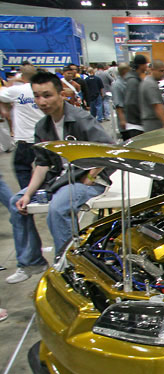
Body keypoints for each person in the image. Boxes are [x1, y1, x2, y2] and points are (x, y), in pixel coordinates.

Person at [7, 71, 112, 284]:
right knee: (15, 203)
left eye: (47, 95)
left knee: (58, 209)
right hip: (58, 180)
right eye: (37, 96)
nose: (42, 101)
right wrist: (27, 193)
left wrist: (90, 176)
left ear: (61, 94)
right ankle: (31, 262)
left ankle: (68, 265)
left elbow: (109, 150)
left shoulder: (81, 119)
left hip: (85, 181)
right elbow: (42, 164)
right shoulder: (42, 126)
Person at [0, 64, 44, 189]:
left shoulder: (16, 90)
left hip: (25, 138)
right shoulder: (42, 89)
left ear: (21, 76)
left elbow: (1, 93)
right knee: (46, 166)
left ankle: (27, 192)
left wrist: (13, 81)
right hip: (43, 136)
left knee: (22, 167)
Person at [123, 54, 148, 138]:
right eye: (145, 64)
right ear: (141, 65)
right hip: (135, 125)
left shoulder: (135, 79)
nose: (146, 66)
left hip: (136, 123)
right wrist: (141, 117)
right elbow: (131, 103)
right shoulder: (133, 81)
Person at [140, 61, 164, 132]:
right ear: (152, 70)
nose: (163, 73)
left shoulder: (148, 82)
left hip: (152, 122)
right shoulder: (150, 84)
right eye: (161, 71)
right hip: (153, 123)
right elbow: (157, 106)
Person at [111, 63, 130, 139]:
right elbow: (118, 105)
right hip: (125, 120)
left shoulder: (127, 82)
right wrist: (122, 120)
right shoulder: (117, 85)